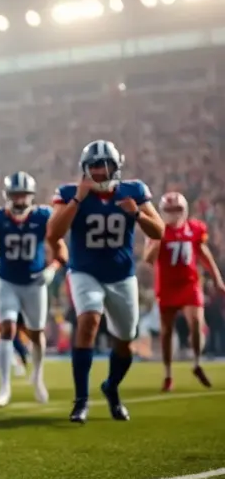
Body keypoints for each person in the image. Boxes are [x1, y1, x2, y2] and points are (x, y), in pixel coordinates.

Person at [47, 140, 164, 423]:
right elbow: (53, 233)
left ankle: (111, 387)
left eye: (106, 165)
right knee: (88, 322)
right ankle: (81, 401)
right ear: (85, 169)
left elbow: (159, 231)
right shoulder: (69, 193)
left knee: (125, 340)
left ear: (116, 167)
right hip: (84, 272)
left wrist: (136, 213)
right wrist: (77, 200)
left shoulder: (133, 191)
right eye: (95, 166)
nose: (100, 171)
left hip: (121, 276)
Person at [0, 171, 66, 406]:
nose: (19, 200)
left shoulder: (43, 217)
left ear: (31, 196)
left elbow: (61, 250)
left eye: (23, 195)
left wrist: (52, 269)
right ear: (7, 196)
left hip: (34, 282)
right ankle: (4, 388)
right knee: (7, 328)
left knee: (36, 333)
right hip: (7, 281)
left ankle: (38, 377)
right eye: (15, 195)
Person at [143, 191, 224, 391]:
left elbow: (204, 254)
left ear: (185, 210)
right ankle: (168, 374)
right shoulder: (156, 229)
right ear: (163, 211)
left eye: (178, 209)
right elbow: (148, 260)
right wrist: (158, 239)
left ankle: (196, 362)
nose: (174, 213)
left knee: (196, 323)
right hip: (167, 286)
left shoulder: (194, 228)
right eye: (170, 209)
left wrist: (217, 279)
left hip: (189, 284)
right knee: (166, 331)